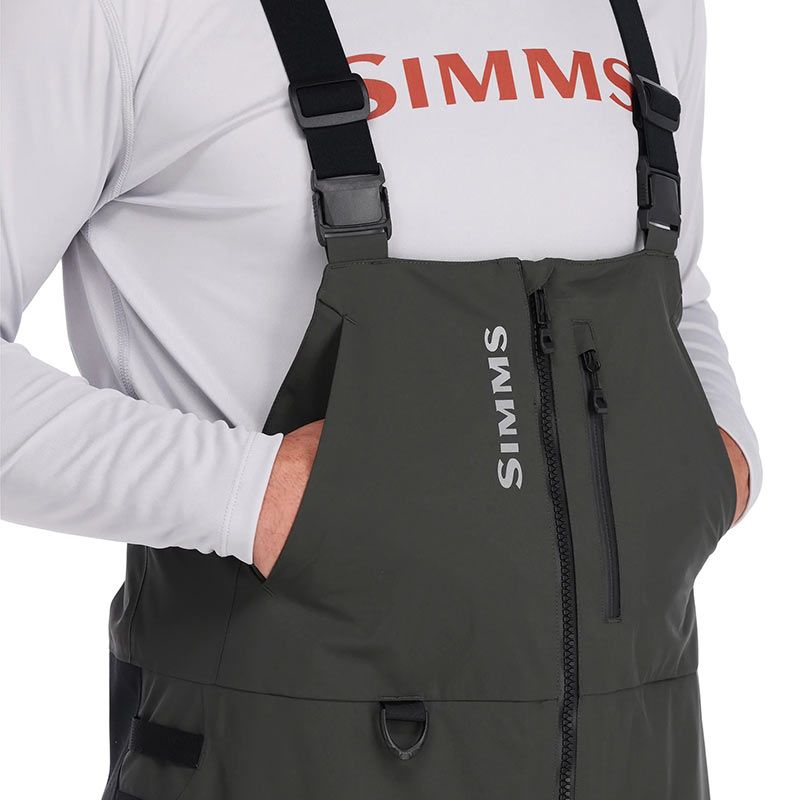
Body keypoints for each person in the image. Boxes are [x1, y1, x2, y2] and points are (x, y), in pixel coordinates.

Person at [0, 1, 758, 797]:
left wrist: (722, 455)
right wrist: (257, 495)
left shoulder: (658, 10)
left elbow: (675, 281)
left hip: (643, 748)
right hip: (286, 752)